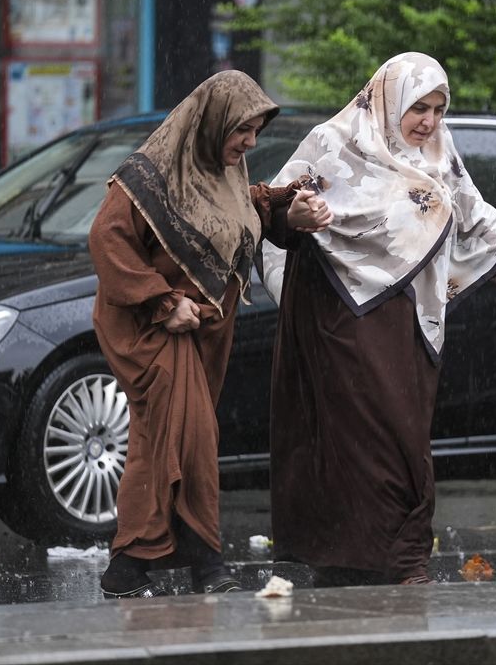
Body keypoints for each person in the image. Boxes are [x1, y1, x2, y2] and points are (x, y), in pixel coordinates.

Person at [262, 52, 496, 587]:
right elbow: (273, 213)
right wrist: (295, 217)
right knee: (354, 446)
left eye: (439, 110)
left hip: (406, 326)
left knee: (405, 443)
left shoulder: (440, 159)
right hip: (340, 323)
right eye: (417, 107)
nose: (428, 121)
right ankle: (370, 565)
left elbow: (476, 222)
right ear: (386, 101)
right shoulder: (332, 144)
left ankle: (393, 560)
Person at [89, 70, 332, 598]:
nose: (250, 143)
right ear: (211, 123)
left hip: (202, 333)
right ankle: (203, 559)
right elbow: (107, 241)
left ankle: (131, 564)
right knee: (190, 434)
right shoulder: (145, 176)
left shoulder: (223, 176)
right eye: (241, 130)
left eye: (256, 133)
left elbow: (245, 218)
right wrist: (164, 302)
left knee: (165, 437)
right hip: (151, 329)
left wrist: (292, 211)